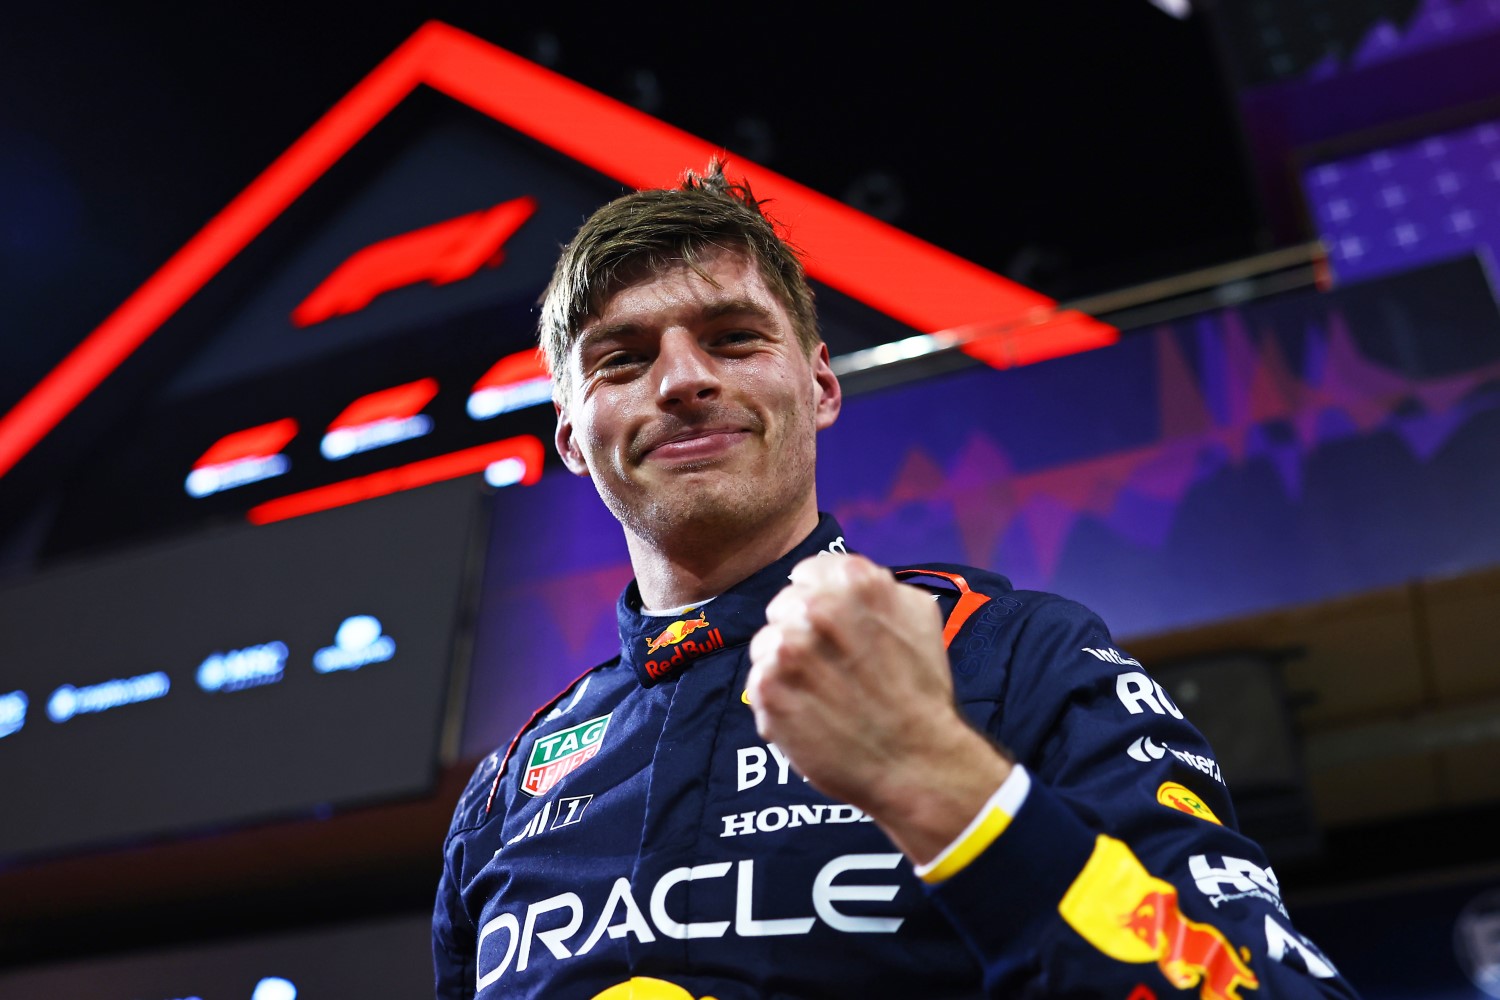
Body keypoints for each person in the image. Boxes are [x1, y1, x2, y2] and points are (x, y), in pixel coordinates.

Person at [432, 162, 1359, 999]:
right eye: (624, 360)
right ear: (571, 441)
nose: (680, 380)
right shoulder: (507, 791)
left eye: (734, 338)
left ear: (822, 388)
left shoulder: (1014, 657)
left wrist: (949, 790)